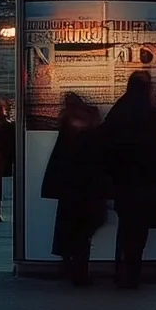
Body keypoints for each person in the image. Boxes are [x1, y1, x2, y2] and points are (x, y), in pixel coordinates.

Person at [101, 70, 156, 289]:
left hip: (122, 180)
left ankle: (121, 269)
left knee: (126, 226)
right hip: (145, 180)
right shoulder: (150, 114)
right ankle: (133, 270)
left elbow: (105, 140)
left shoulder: (119, 110)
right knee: (139, 230)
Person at [40, 93, 107, 284]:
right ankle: (79, 269)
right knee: (85, 231)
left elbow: (59, 161)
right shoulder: (93, 129)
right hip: (89, 189)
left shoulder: (67, 129)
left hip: (70, 190)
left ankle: (71, 265)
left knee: (70, 229)